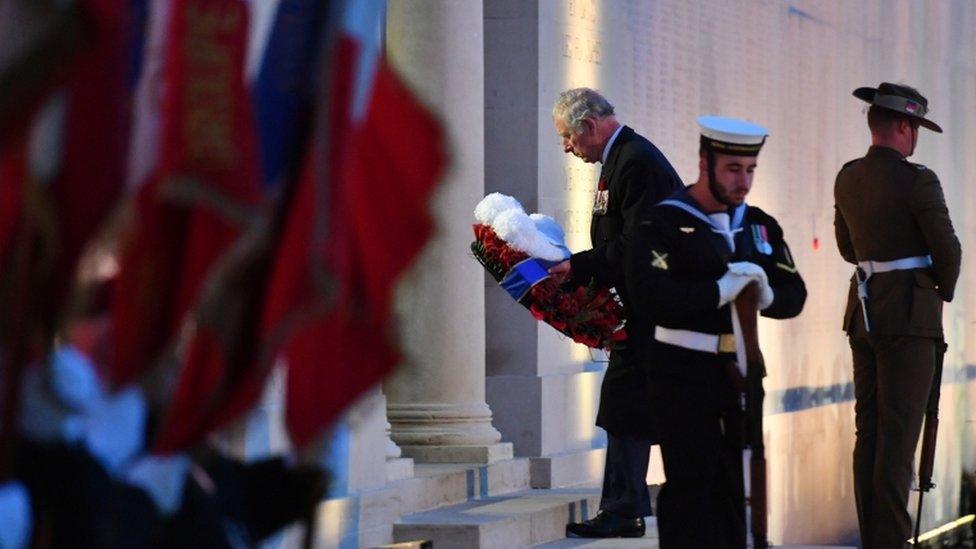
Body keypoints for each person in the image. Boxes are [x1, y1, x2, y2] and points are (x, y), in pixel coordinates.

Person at [626, 116, 806, 547]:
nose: (743, 181)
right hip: (682, 373)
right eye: (732, 169)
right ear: (705, 164)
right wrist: (717, 291)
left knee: (733, 488)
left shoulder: (758, 226)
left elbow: (794, 294)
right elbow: (651, 297)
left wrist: (767, 297)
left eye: (750, 170)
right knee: (691, 487)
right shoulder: (662, 224)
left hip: (742, 374)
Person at [833, 82, 961, 548]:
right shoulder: (918, 179)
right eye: (916, 128)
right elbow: (947, 249)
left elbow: (848, 248)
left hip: (864, 313)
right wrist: (938, 293)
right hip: (910, 318)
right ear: (904, 126)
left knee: (869, 431)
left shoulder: (847, 176)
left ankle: (875, 538)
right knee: (899, 438)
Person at [550, 88, 682, 538]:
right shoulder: (621, 157)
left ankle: (626, 509)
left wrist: (578, 266)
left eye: (568, 136)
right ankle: (626, 507)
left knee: (626, 407)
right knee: (628, 407)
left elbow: (639, 244)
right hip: (638, 308)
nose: (567, 147)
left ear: (588, 126)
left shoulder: (636, 160)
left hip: (653, 309)